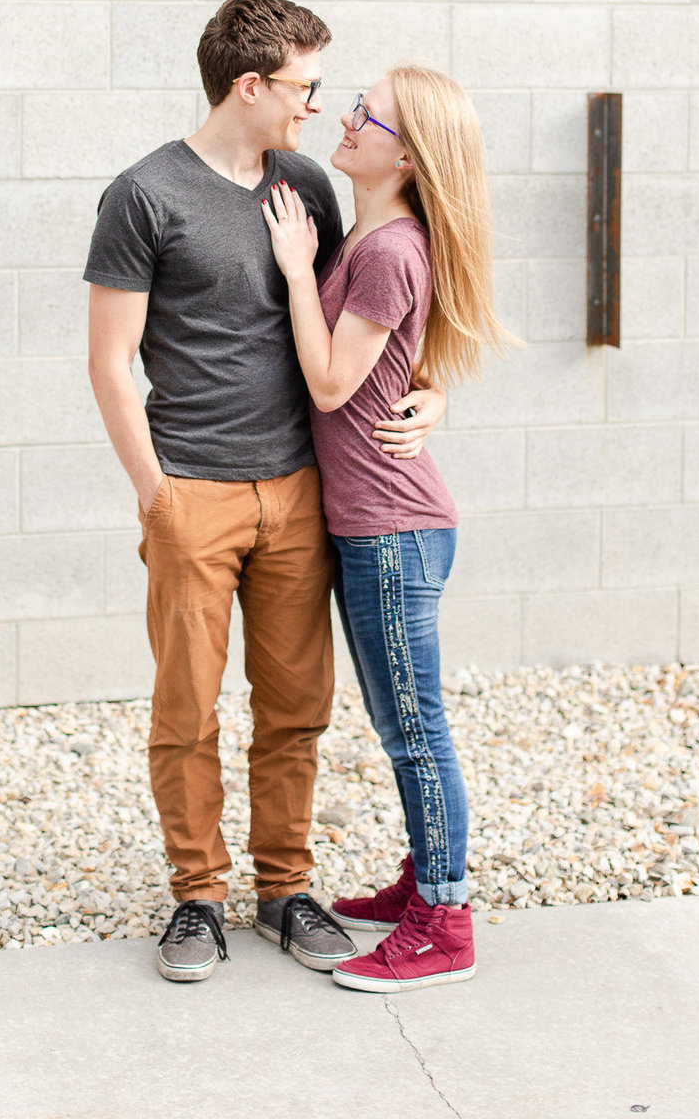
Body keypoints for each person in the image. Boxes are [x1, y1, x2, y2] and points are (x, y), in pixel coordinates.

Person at [84, 0, 447, 983]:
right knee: (187, 708)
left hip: (298, 492)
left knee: (295, 706)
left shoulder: (304, 187)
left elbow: (355, 323)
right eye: (305, 87)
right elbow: (111, 364)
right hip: (191, 493)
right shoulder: (144, 195)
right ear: (250, 86)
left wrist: (432, 394)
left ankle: (286, 887)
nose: (316, 108)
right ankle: (197, 896)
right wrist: (156, 495)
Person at [262, 64, 510, 992]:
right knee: (402, 719)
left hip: (393, 531)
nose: (350, 119)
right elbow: (397, 366)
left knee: (414, 728)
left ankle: (444, 922)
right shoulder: (373, 237)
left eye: (369, 114)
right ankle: (422, 882)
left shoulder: (386, 250)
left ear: (407, 154)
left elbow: (330, 383)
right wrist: (433, 394)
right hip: (380, 524)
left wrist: (292, 270)